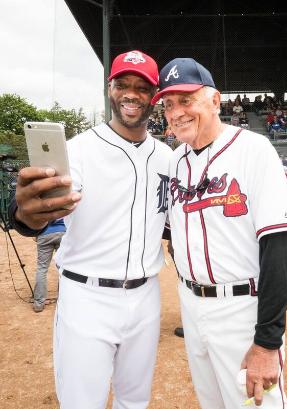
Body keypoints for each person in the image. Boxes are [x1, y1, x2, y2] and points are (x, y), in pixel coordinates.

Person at [8, 50, 171, 409]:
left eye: (141, 87)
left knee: (135, 401)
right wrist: (25, 215)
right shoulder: (79, 149)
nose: (131, 94)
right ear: (110, 90)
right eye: (122, 85)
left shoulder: (167, 157)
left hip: (146, 296)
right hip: (87, 296)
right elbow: (43, 204)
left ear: (154, 96)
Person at [151, 58, 287, 408]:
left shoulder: (253, 149)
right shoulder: (175, 162)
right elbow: (175, 235)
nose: (176, 112)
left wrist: (267, 342)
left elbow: (278, 249)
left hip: (242, 309)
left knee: (255, 404)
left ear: (215, 101)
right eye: (168, 104)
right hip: (190, 305)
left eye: (186, 100)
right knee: (213, 402)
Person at [33, 218, 66, 312]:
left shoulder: (40, 202)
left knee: (42, 268)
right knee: (64, 268)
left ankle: (38, 304)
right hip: (62, 233)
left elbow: (35, 219)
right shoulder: (63, 202)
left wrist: (35, 233)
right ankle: (63, 300)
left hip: (43, 233)